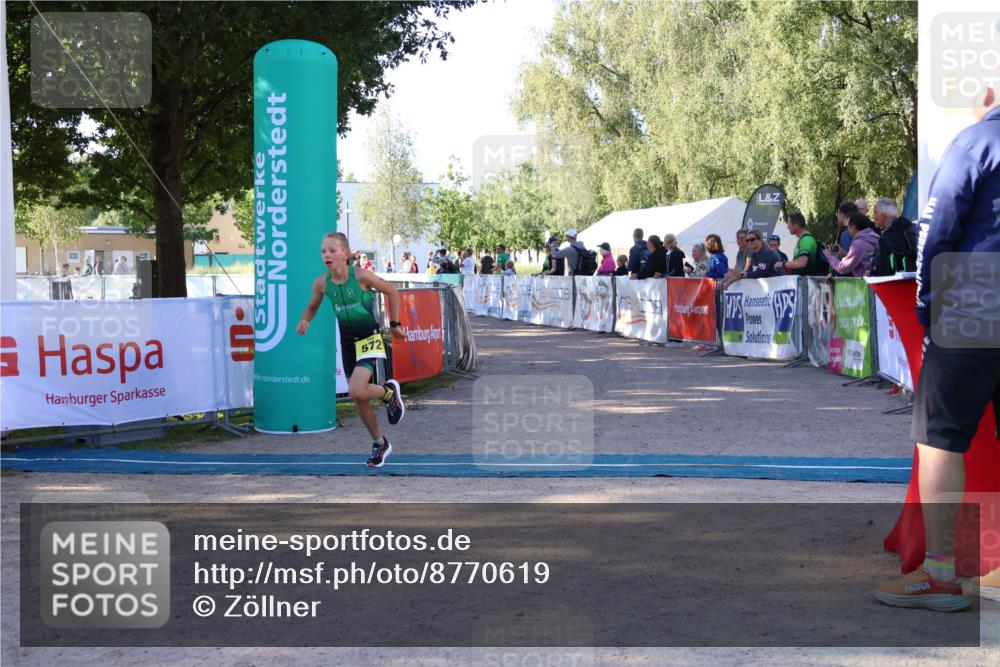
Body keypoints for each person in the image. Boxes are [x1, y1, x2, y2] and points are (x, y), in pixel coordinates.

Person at [871, 93, 1000, 612]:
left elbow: (935, 231)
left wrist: (927, 305)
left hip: (974, 300)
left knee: (940, 438)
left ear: (988, 96)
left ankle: (942, 575)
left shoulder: (976, 141)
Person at [296, 232, 406, 468]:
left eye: (332, 250)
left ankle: (388, 394)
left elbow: (392, 291)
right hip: (347, 343)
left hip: (369, 338)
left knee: (356, 390)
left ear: (346, 254)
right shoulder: (322, 283)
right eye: (323, 251)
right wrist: (306, 320)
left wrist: (395, 325)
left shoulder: (361, 276)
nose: (327, 254)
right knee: (360, 397)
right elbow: (311, 307)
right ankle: (380, 442)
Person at [871, 197, 919, 276]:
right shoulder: (912, 229)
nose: (874, 216)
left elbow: (883, 273)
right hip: (919, 282)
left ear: (883, 215)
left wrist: (871, 274)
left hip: (897, 285)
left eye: (875, 213)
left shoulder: (886, 239)